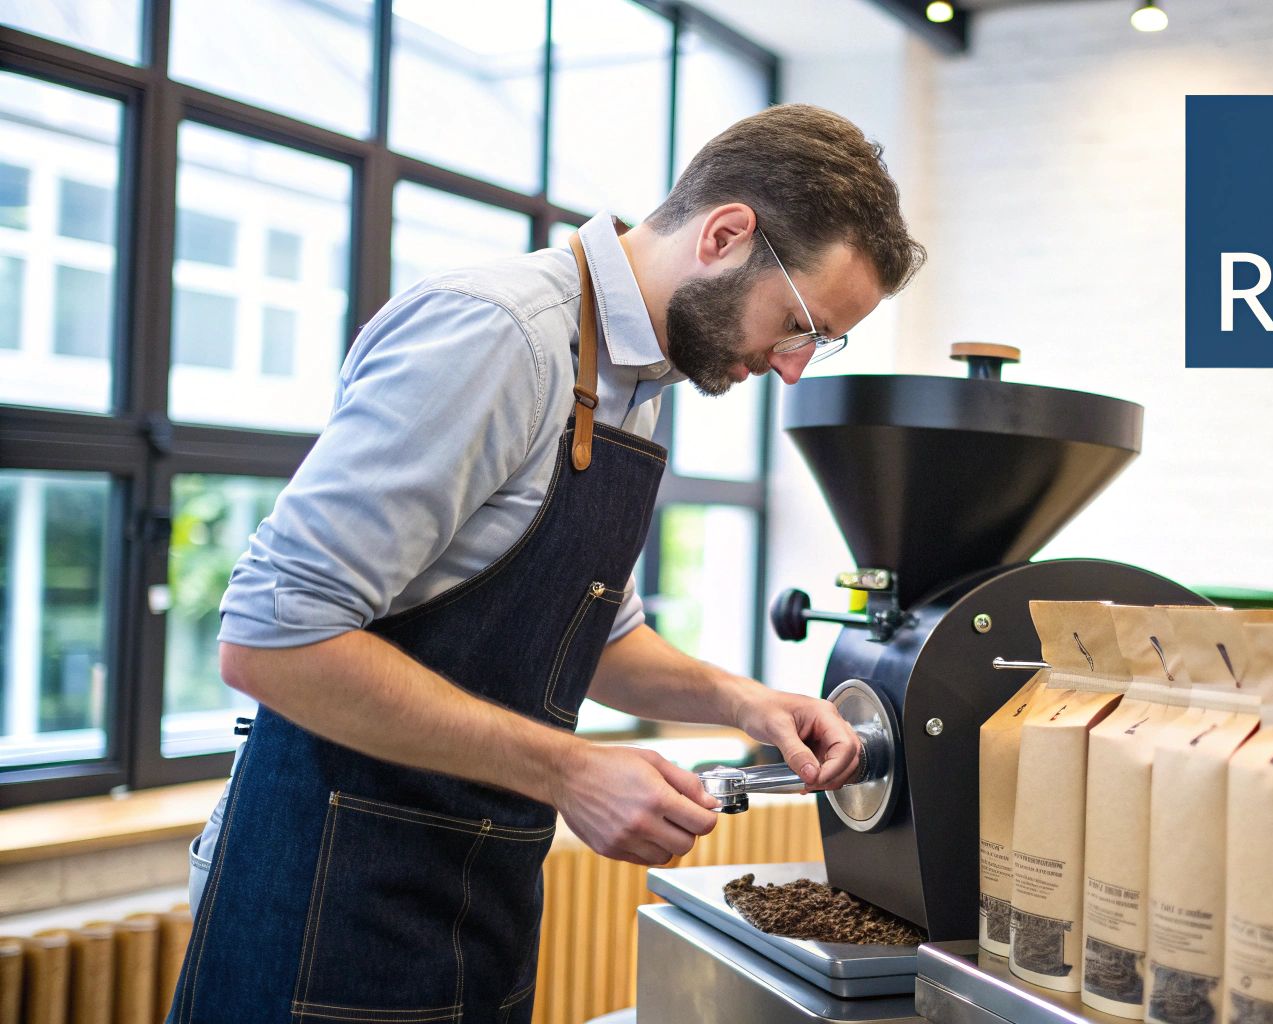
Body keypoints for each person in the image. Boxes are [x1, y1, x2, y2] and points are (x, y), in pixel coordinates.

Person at [165, 103, 925, 1022]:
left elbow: (595, 638)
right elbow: (272, 640)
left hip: (472, 896)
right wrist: (571, 771)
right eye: (799, 324)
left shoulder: (638, 379)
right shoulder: (499, 337)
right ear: (726, 235)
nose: (794, 366)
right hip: (321, 899)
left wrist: (746, 703)